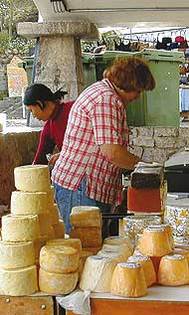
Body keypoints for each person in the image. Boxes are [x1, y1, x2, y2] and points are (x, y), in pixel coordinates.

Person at [51, 57, 156, 233]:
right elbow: (113, 152)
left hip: (86, 187)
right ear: (128, 84)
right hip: (81, 187)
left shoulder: (105, 94)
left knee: (96, 249)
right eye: (138, 91)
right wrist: (147, 168)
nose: (138, 97)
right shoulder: (105, 99)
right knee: (86, 248)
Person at [24, 83, 74, 165]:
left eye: (31, 110)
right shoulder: (48, 128)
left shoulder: (74, 109)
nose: (33, 115)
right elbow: (40, 161)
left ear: (39, 103)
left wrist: (65, 154)